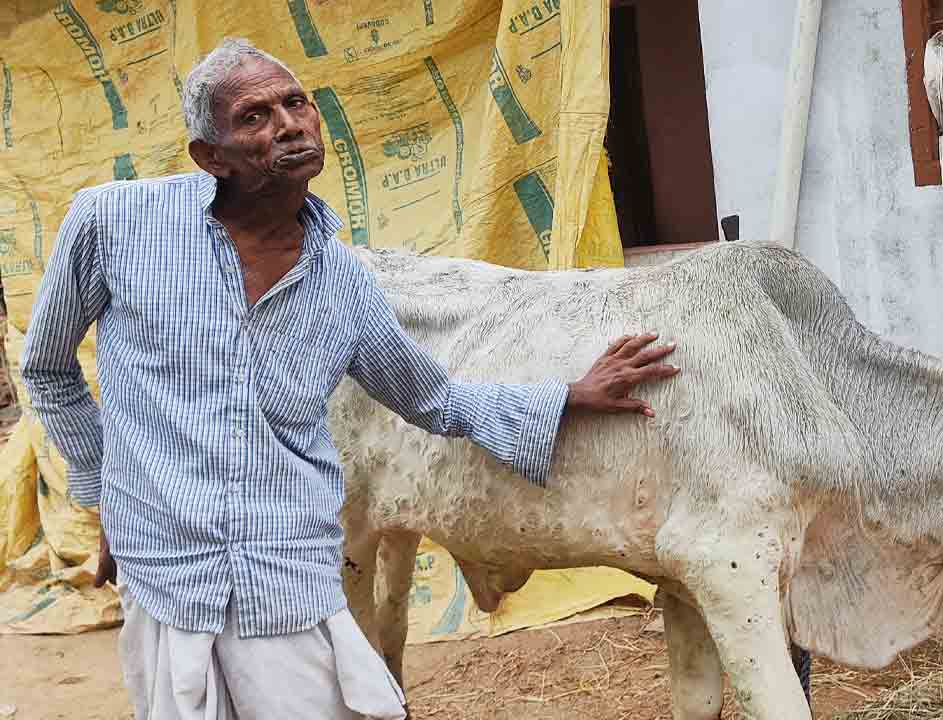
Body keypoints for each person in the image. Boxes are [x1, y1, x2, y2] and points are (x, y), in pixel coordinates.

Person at [19, 37, 679, 720]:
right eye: (254, 116)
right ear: (209, 156)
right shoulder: (114, 224)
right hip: (165, 569)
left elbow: (435, 398)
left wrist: (569, 395)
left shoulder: (344, 285)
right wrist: (109, 492)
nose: (288, 124)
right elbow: (47, 367)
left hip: (288, 575)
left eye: (296, 102)